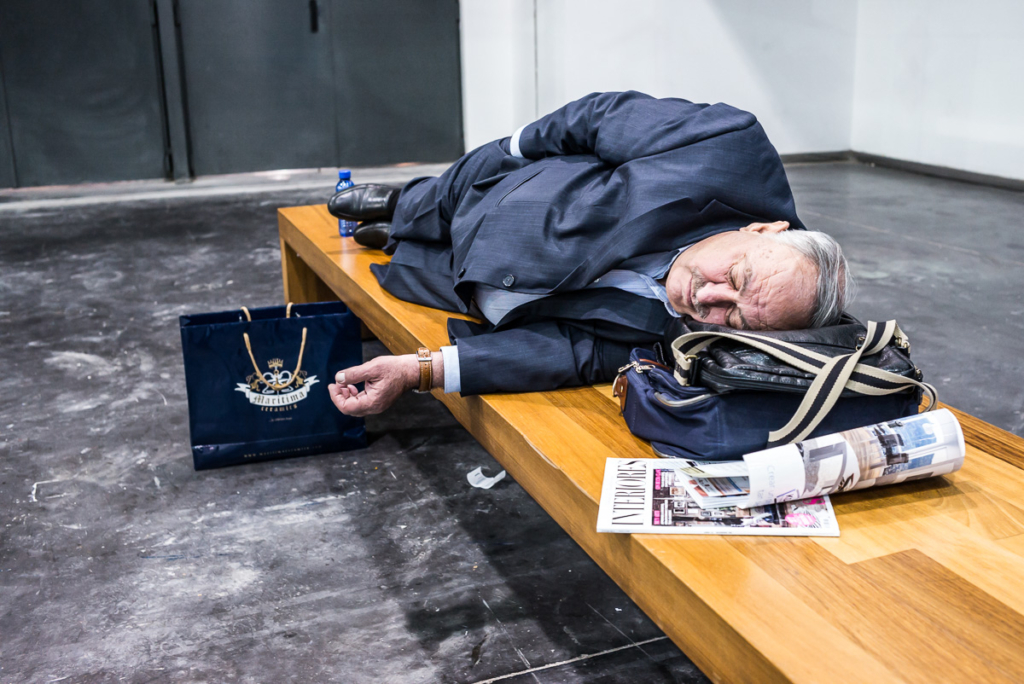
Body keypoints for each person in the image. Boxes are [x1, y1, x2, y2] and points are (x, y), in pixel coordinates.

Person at [325, 91, 852, 417]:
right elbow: (601, 118)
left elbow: (575, 354)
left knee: (397, 257)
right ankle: (402, 202)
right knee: (426, 205)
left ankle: (395, 234)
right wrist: (516, 146)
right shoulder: (730, 148)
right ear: (762, 228)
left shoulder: (706, 339)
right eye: (734, 277)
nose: (707, 298)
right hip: (503, 197)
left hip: (462, 287)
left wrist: (420, 370)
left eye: (732, 315)